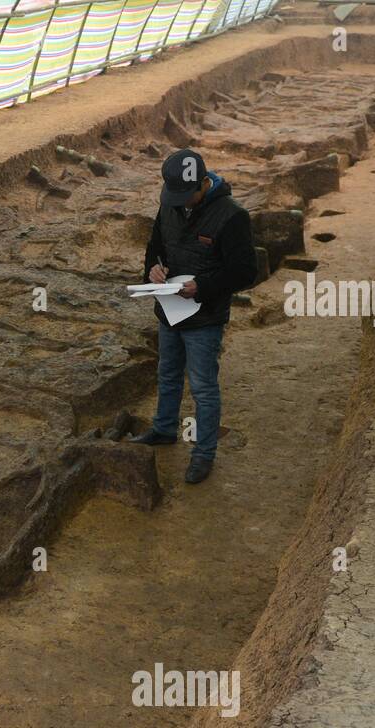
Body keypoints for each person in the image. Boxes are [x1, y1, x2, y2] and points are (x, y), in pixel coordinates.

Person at [130, 148, 258, 484]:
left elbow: (245, 272)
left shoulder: (232, 216)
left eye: (188, 196)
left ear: (204, 183)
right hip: (169, 310)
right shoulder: (170, 203)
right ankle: (164, 429)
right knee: (168, 373)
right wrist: (153, 271)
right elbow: (155, 245)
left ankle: (203, 455)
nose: (182, 203)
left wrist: (201, 286)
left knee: (202, 387)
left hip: (205, 316)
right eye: (176, 197)